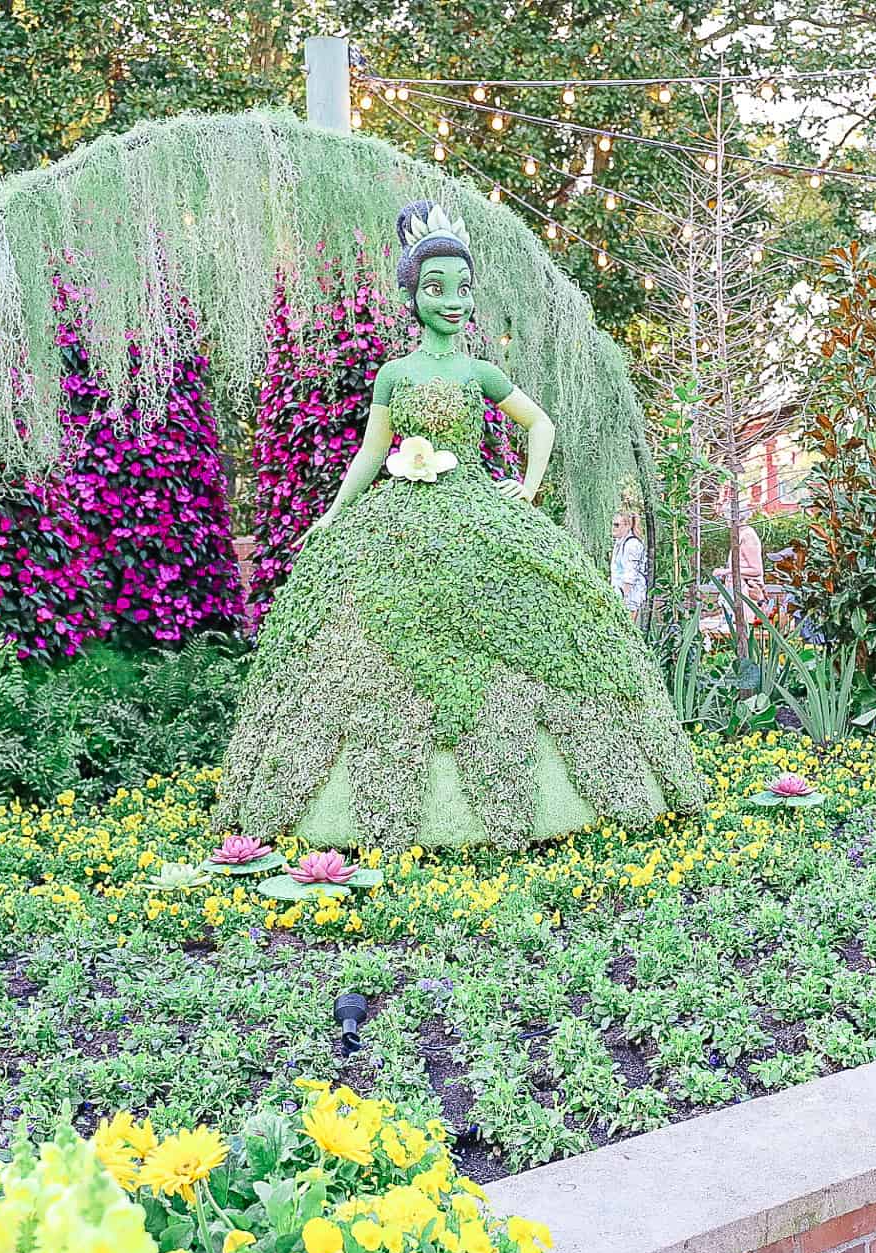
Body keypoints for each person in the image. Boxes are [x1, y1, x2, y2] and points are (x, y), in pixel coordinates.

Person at [214, 200, 707, 852]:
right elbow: (371, 451)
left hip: (477, 503)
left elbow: (542, 425)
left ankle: (547, 776)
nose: (451, 300)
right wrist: (332, 514)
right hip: (399, 514)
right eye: (436, 287)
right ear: (413, 296)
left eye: (461, 288)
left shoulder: (480, 372)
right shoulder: (396, 374)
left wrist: (525, 490)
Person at [610, 509, 647, 616]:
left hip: (628, 599)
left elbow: (630, 576)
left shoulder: (632, 545)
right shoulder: (620, 543)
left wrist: (621, 598)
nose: (613, 528)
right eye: (613, 524)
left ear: (627, 526)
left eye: (617, 525)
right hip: (619, 595)